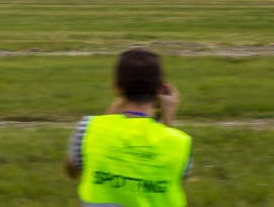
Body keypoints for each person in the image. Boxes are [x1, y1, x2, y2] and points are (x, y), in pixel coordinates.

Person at [65, 48, 192, 206]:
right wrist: (169, 118)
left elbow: (72, 171)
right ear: (161, 90)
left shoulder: (88, 129)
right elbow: (176, 175)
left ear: (117, 87)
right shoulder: (178, 143)